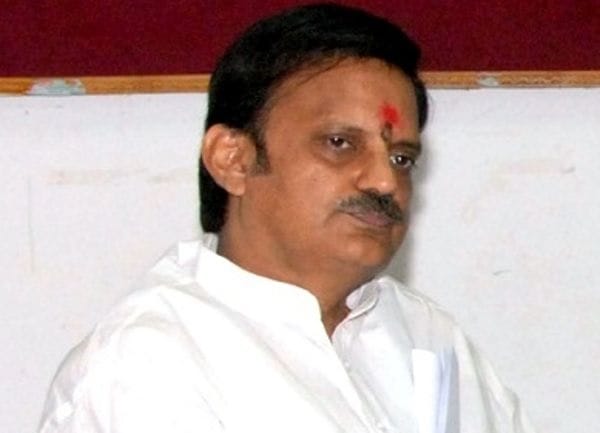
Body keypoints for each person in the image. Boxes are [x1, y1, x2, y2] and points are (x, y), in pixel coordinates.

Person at [39, 4, 535, 433]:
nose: (385, 181)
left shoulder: (425, 336)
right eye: (340, 143)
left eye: (402, 158)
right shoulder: (152, 360)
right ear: (233, 160)